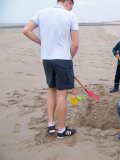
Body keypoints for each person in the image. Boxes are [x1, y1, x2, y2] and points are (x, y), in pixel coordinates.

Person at [22, 0, 79, 138]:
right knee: (61, 94)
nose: (71, 8)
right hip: (63, 59)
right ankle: (61, 130)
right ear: (68, 2)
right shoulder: (70, 16)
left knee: (51, 90)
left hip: (47, 59)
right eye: (72, 5)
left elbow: (26, 30)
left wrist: (42, 43)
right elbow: (75, 44)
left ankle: (51, 125)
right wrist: (68, 58)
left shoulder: (42, 12)